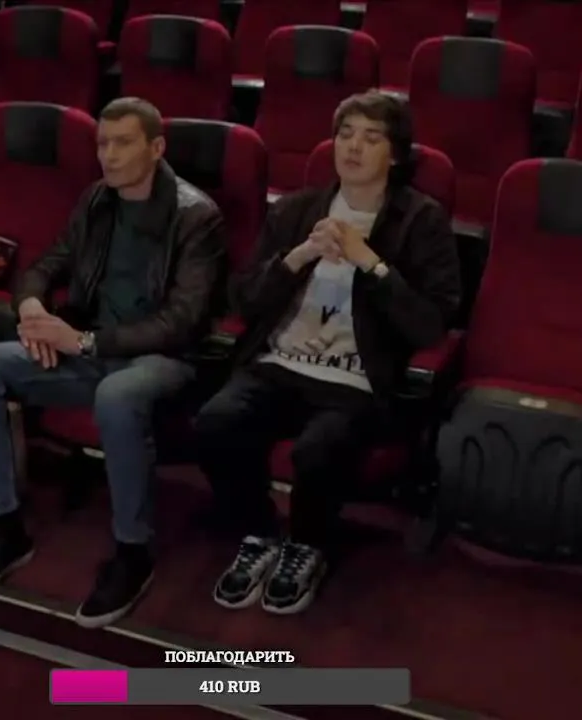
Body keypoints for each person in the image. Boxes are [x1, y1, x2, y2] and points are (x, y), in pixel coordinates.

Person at [0, 97, 227, 628]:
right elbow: (45, 265)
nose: (109, 155)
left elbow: (183, 322)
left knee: (117, 396)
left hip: (164, 359)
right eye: (103, 143)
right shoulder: (97, 200)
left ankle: (133, 552)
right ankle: (4, 527)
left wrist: (83, 342)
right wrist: (31, 307)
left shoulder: (197, 216)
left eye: (123, 143)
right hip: (90, 348)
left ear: (156, 147)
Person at [193, 91, 462, 615]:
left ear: (396, 154)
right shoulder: (296, 210)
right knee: (214, 423)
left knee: (318, 449)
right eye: (345, 134)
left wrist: (371, 263)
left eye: (371, 137)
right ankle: (259, 531)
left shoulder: (420, 221)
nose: (353, 147)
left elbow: (430, 324)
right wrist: (299, 256)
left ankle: (305, 544)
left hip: (355, 380)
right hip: (279, 365)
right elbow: (243, 299)